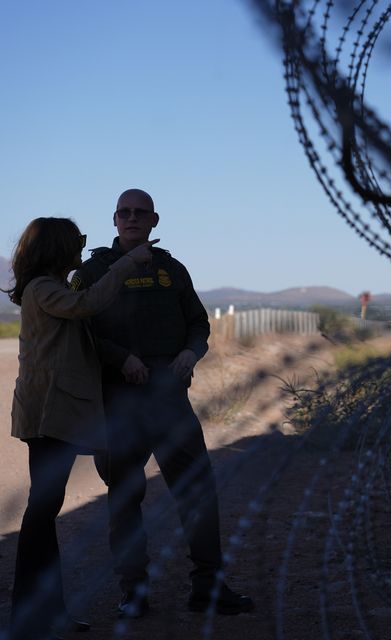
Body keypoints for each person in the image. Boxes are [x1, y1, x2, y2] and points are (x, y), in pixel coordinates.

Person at [71, 188, 253, 618]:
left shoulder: (172, 269)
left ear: (154, 221)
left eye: (141, 213)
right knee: (124, 499)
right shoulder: (92, 271)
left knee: (198, 493)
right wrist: (121, 358)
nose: (132, 219)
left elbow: (198, 323)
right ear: (114, 220)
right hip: (118, 403)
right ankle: (133, 592)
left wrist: (193, 351)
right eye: (124, 213)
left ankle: (208, 586)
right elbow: (81, 332)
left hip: (170, 401)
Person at [4, 217, 156, 640]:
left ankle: (44, 613)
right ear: (58, 248)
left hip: (57, 416)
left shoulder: (49, 287)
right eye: (78, 242)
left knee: (43, 513)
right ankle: (29, 616)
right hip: (50, 416)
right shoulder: (42, 289)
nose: (82, 248)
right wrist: (126, 265)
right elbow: (87, 304)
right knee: (41, 514)